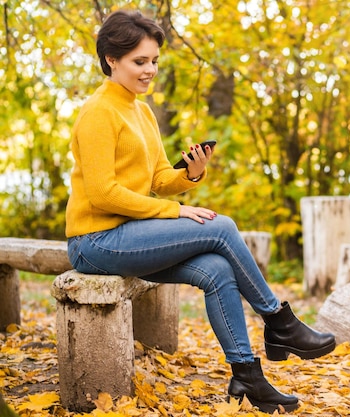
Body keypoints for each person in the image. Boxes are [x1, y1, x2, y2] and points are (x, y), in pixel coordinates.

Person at [65, 9, 335, 414]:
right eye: (140, 61)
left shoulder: (140, 110)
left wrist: (192, 174)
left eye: (154, 61)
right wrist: (174, 210)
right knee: (221, 227)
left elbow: (157, 177)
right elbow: (104, 194)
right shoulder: (98, 112)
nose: (150, 70)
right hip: (95, 241)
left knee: (217, 269)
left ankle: (247, 374)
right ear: (110, 59)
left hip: (132, 236)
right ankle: (279, 322)